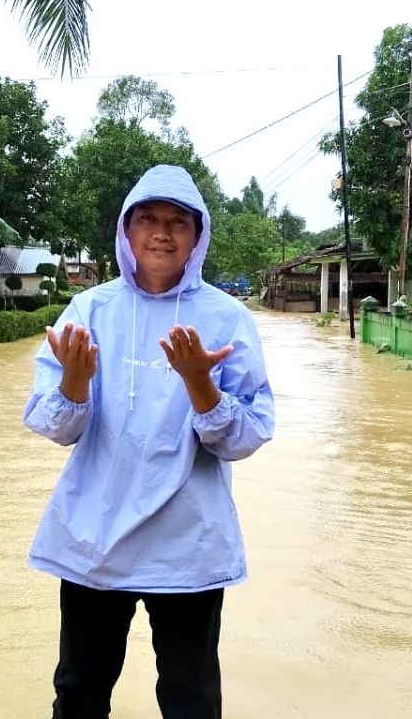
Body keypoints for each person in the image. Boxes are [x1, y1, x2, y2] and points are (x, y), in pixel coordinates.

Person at [23, 164, 275, 718]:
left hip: (187, 546)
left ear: (197, 235)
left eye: (177, 222)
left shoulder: (226, 317)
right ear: (126, 232)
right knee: (79, 691)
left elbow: (249, 433)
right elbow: (51, 424)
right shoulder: (91, 310)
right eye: (149, 220)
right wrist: (74, 381)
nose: (162, 233)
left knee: (191, 699)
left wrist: (201, 385)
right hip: (96, 538)